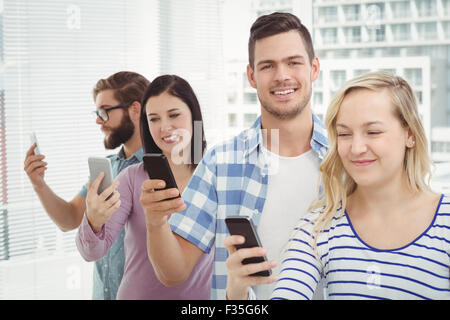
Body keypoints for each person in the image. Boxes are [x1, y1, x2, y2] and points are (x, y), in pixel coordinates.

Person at [141, 12, 328, 300]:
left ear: (314, 68)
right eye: (268, 66)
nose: (282, 76)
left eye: (293, 62)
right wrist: (155, 222)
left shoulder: (347, 158)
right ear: (251, 76)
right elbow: (173, 272)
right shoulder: (221, 162)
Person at [270, 71, 450, 300]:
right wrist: (237, 295)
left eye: (373, 132)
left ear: (410, 134)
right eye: (344, 134)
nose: (355, 148)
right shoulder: (318, 228)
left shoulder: (445, 221)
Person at [76, 74, 213, 299]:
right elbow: (91, 252)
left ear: (193, 116)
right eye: (154, 119)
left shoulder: (215, 174)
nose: (164, 127)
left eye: (174, 115)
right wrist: (93, 221)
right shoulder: (132, 178)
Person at [24, 71, 150, 299]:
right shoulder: (106, 169)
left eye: (105, 111)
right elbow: (70, 218)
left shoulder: (162, 170)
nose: (98, 120)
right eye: (97, 112)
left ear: (135, 109)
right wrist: (39, 184)